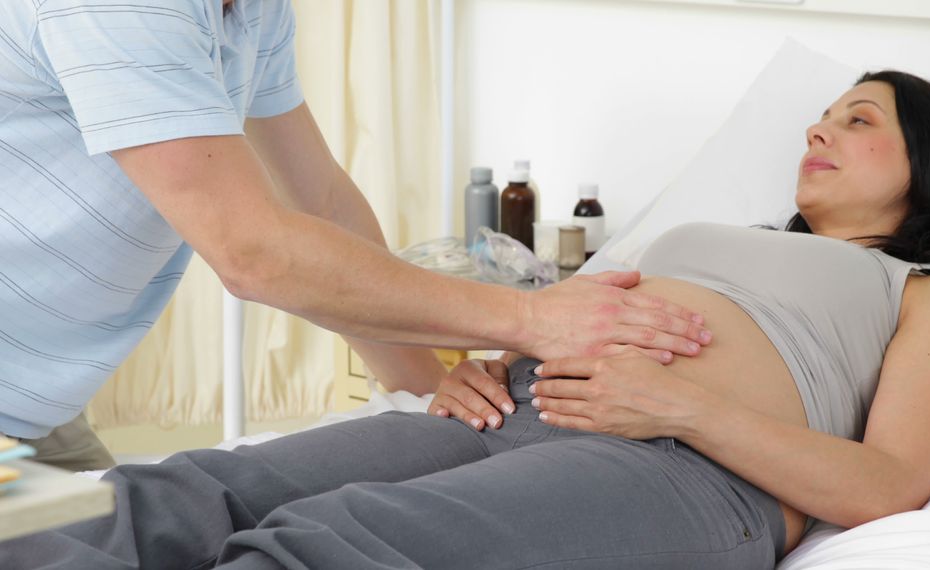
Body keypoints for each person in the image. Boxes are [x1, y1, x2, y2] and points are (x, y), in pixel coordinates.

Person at [0, 70, 930, 569]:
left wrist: (680, 409)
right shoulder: (725, 232)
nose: (820, 125)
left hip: (683, 465)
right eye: (826, 109)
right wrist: (476, 357)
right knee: (190, 492)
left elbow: (887, 488)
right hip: (508, 407)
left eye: (861, 119)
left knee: (336, 545)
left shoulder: (929, 290)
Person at [0, 0, 710, 471]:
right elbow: (253, 251)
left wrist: (426, 388)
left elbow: (322, 200)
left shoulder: (251, 10)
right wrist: (530, 318)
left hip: (38, 403)